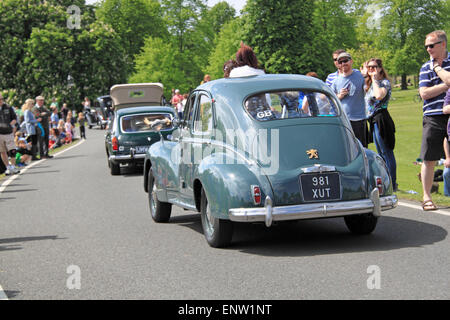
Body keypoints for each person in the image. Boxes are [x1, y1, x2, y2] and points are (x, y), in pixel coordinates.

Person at [418, 30, 450, 211]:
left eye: (431, 45)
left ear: (443, 44)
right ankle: (427, 196)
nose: (428, 49)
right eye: (426, 46)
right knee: (429, 158)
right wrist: (446, 83)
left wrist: (438, 70)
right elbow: (424, 93)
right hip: (432, 115)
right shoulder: (425, 67)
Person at [364, 58, 397, 192]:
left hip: (381, 118)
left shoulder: (383, 83)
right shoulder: (369, 84)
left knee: (386, 152)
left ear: (380, 68)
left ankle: (392, 183)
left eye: (374, 67)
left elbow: (378, 96)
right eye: (369, 67)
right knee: (380, 154)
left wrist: (375, 79)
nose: (371, 69)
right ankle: (386, 181)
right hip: (372, 120)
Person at [331, 52, 368, 147]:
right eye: (340, 62)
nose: (343, 64)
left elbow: (368, 90)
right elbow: (330, 101)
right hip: (343, 120)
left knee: (362, 148)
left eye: (345, 61)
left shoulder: (360, 76)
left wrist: (367, 76)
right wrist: (339, 96)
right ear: (338, 64)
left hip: (359, 119)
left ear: (351, 61)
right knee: (346, 148)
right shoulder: (336, 81)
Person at [0, 93, 20, 175]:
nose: (1, 101)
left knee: (12, 150)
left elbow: (14, 118)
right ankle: (8, 167)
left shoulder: (8, 107)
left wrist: (10, 125)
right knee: (2, 151)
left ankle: (13, 166)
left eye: (1, 99)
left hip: (8, 132)